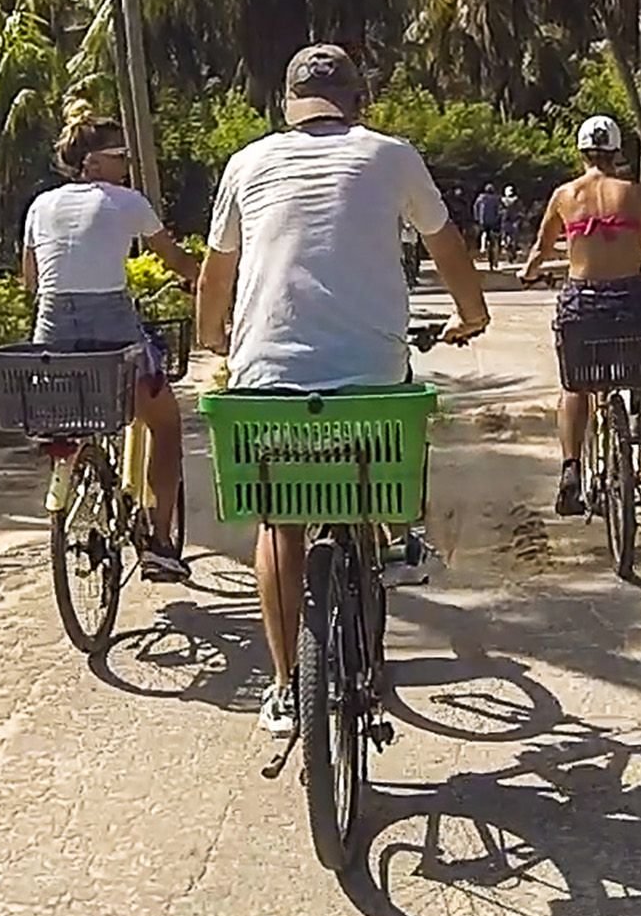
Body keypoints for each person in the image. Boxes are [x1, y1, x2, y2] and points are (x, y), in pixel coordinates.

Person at [197, 45, 492, 737]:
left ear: (288, 105)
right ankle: (397, 538)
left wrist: (214, 336)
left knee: (279, 520)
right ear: (357, 100)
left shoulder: (247, 162)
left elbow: (217, 273)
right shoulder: (391, 155)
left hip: (266, 377)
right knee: (394, 427)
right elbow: (447, 248)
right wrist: (472, 314)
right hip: (369, 378)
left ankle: (282, 685)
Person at [23, 114, 201, 581]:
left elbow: (31, 281)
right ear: (94, 162)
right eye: (121, 156)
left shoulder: (40, 206)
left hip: (53, 341)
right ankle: (160, 545)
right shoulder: (127, 203)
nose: (127, 165)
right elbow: (176, 259)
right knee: (166, 426)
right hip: (113, 338)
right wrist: (204, 281)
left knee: (82, 407)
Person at [522, 115, 641, 516]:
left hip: (582, 299)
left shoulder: (565, 196)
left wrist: (528, 273)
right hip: (629, 299)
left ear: (582, 152)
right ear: (617, 152)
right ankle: (637, 410)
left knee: (575, 385)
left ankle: (570, 469)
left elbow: (540, 251)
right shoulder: (637, 195)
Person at [473, 185, 507, 270]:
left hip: (482, 222)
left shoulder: (480, 198)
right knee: (494, 240)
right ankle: (494, 261)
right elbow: (501, 210)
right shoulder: (496, 199)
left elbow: (475, 208)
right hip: (494, 222)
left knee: (483, 233)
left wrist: (477, 218)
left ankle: (482, 246)